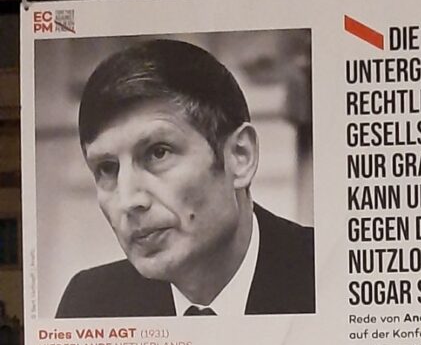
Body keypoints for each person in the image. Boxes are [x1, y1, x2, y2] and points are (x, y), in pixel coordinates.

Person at [55, 38, 315, 318]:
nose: (128, 200)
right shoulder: (89, 304)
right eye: (107, 168)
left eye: (158, 153)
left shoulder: (329, 274)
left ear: (240, 156)